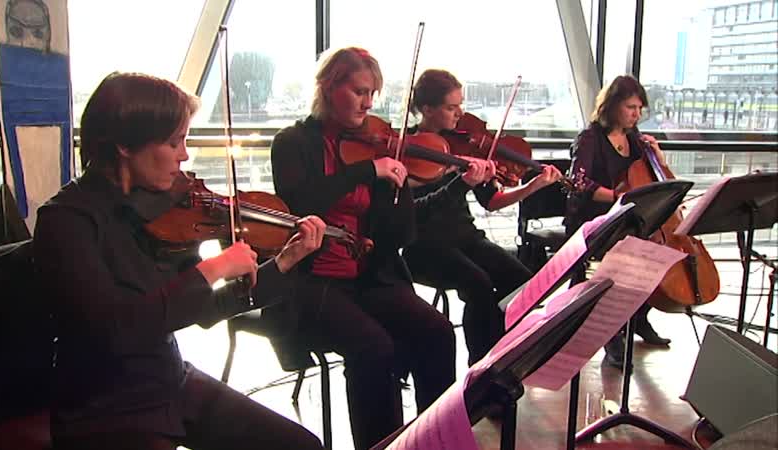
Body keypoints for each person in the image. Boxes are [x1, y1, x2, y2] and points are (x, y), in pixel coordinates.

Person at [34, 72, 326, 450]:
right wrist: (213, 268)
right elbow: (115, 330)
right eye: (174, 143)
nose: (184, 155)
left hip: (169, 380)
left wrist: (285, 262)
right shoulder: (65, 221)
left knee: (301, 445)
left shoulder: (167, 210)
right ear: (125, 144)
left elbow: (204, 310)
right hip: (106, 406)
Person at [268, 48, 456, 450]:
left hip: (370, 276)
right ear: (328, 87)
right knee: (373, 346)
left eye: (373, 93)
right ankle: (382, 445)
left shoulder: (375, 147)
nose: (368, 103)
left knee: (438, 331)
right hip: (312, 281)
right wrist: (366, 170)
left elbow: (402, 237)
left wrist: (398, 188)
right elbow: (300, 200)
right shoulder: (292, 143)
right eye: (359, 91)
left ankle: (435, 439)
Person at [402, 69, 562, 366]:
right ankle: (481, 368)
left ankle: (505, 354)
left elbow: (493, 202)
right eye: (451, 107)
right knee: (478, 284)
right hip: (424, 246)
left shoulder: (464, 147)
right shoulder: (407, 150)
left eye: (460, 105)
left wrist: (533, 186)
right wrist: (455, 175)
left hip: (465, 237)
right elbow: (413, 208)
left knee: (522, 282)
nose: (459, 114)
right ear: (427, 109)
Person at [564, 74, 672, 370]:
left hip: (627, 219)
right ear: (611, 106)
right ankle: (611, 339)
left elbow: (655, 180)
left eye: (639, 109)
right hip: (593, 220)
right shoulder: (589, 139)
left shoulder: (636, 141)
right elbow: (579, 184)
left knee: (660, 257)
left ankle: (639, 318)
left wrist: (657, 156)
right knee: (624, 263)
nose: (637, 115)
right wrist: (616, 197)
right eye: (630, 107)